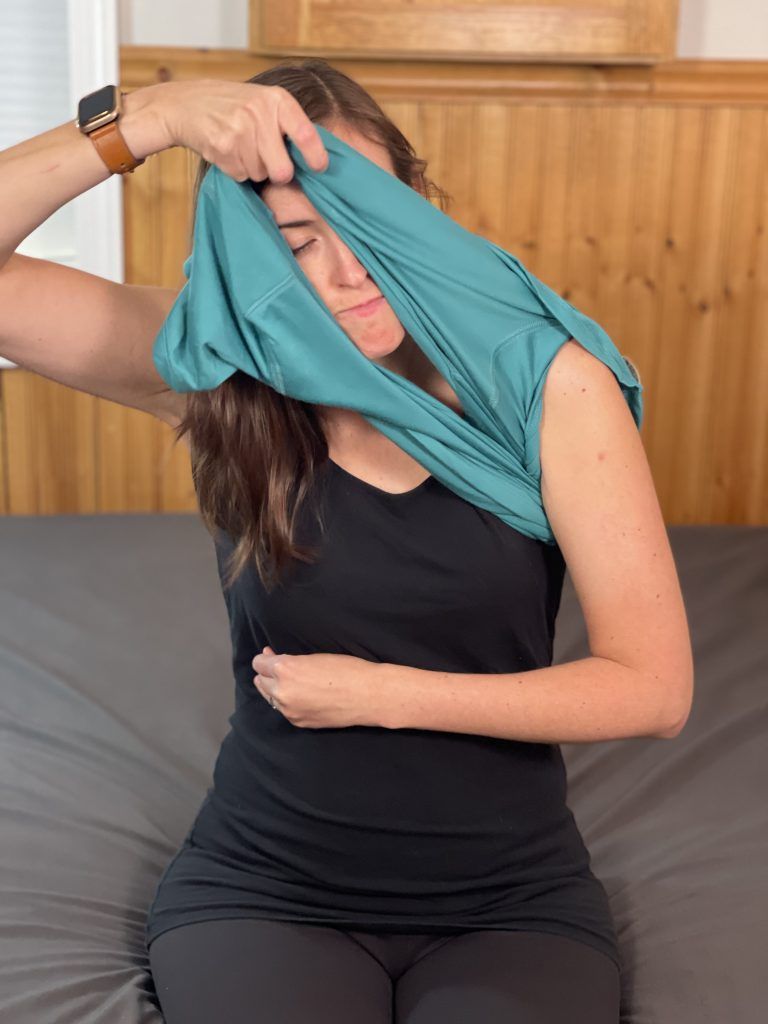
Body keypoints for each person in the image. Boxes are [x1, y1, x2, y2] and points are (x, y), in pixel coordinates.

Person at [0, 56, 691, 1024]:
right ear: (255, 259)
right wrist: (150, 118)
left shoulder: (548, 385)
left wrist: (380, 693)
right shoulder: (217, 362)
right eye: (298, 239)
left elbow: (653, 688)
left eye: (367, 223)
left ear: (416, 208)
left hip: (507, 901)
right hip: (265, 887)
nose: (348, 270)